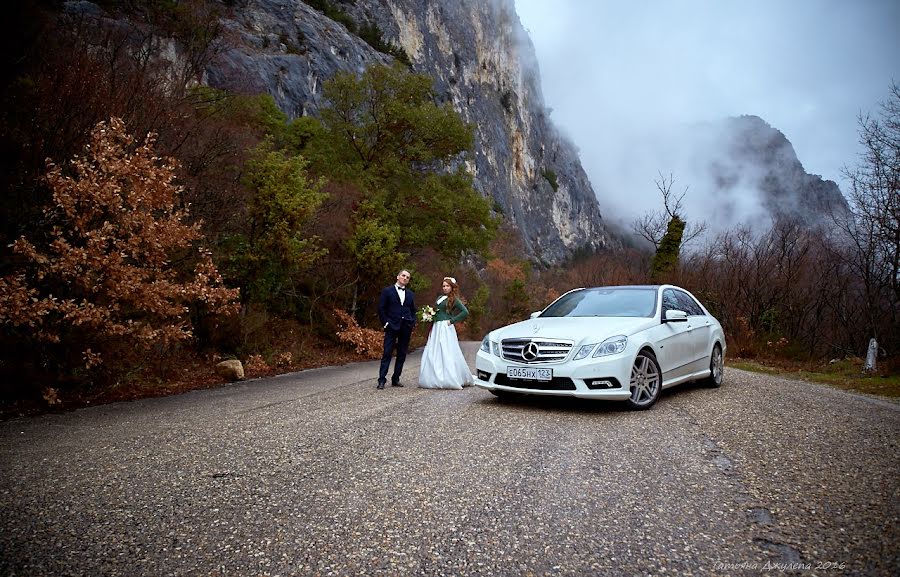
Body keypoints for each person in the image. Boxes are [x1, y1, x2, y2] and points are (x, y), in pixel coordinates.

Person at [418, 276, 475, 389]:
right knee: (434, 350)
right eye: (443, 286)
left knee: (446, 350)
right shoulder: (440, 297)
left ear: (452, 287)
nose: (445, 288)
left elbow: (465, 312)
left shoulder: (454, 299)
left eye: (447, 286)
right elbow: (436, 311)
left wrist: (452, 321)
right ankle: (433, 377)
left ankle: (450, 377)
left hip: (445, 327)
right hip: (436, 327)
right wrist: (430, 315)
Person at [376, 269, 416, 389]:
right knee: (387, 353)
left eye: (407, 277)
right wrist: (386, 323)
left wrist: (412, 322)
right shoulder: (387, 291)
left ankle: (396, 379)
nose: (405, 278)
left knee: (402, 354)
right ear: (398, 276)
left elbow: (413, 310)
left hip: (406, 327)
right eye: (403, 276)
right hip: (392, 326)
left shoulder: (410, 294)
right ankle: (381, 380)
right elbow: (381, 309)